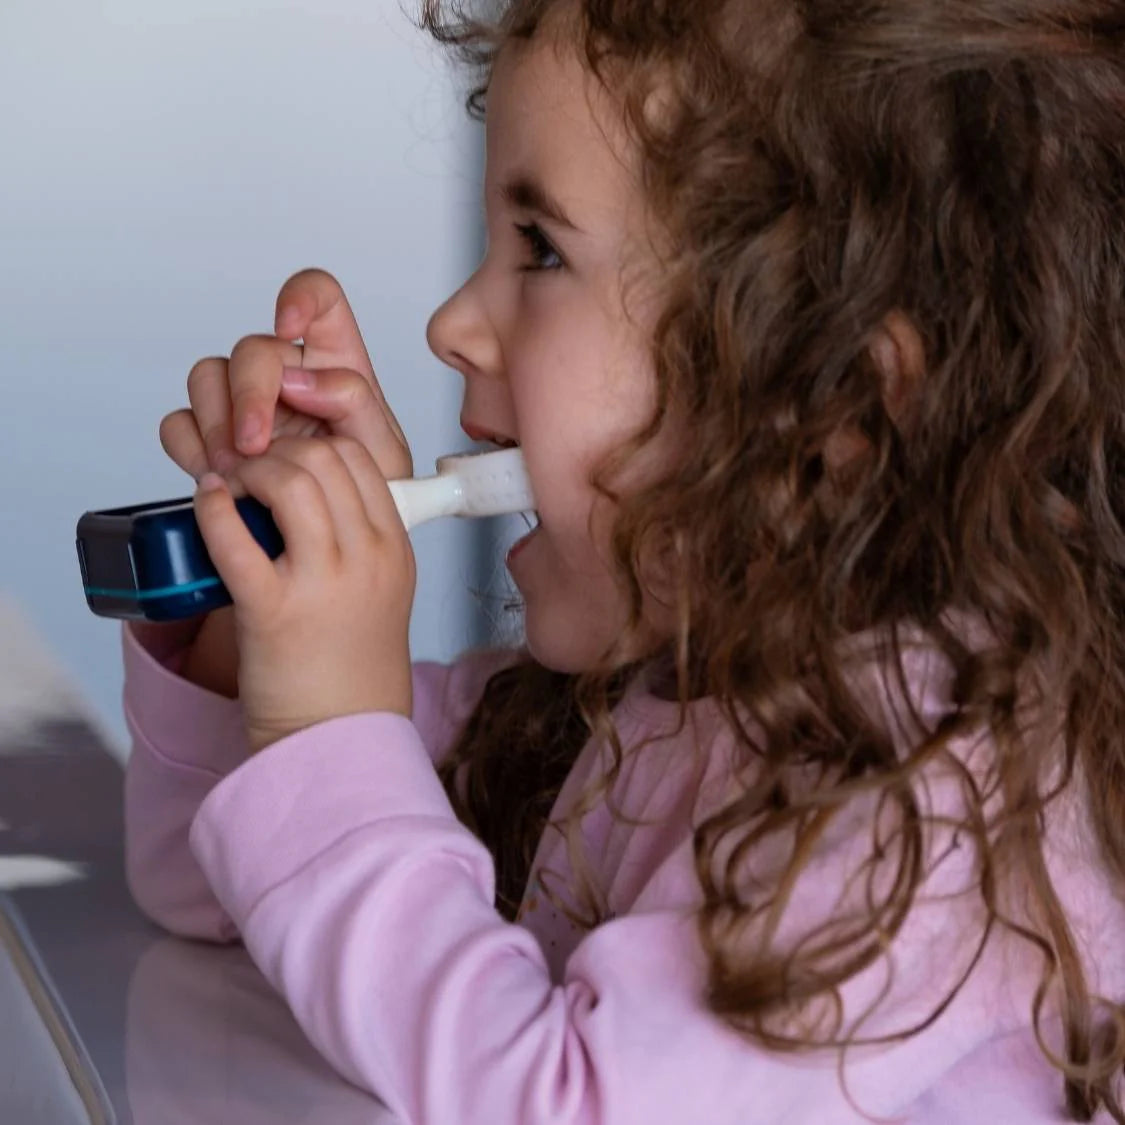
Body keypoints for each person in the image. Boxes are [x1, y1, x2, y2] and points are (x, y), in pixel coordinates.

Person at [121, 1, 1125, 1121]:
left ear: (830, 404)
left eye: (541, 249)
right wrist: (261, 632)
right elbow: (207, 887)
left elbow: (568, 1106)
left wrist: (328, 727)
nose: (454, 323)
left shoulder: (938, 815)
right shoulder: (618, 702)